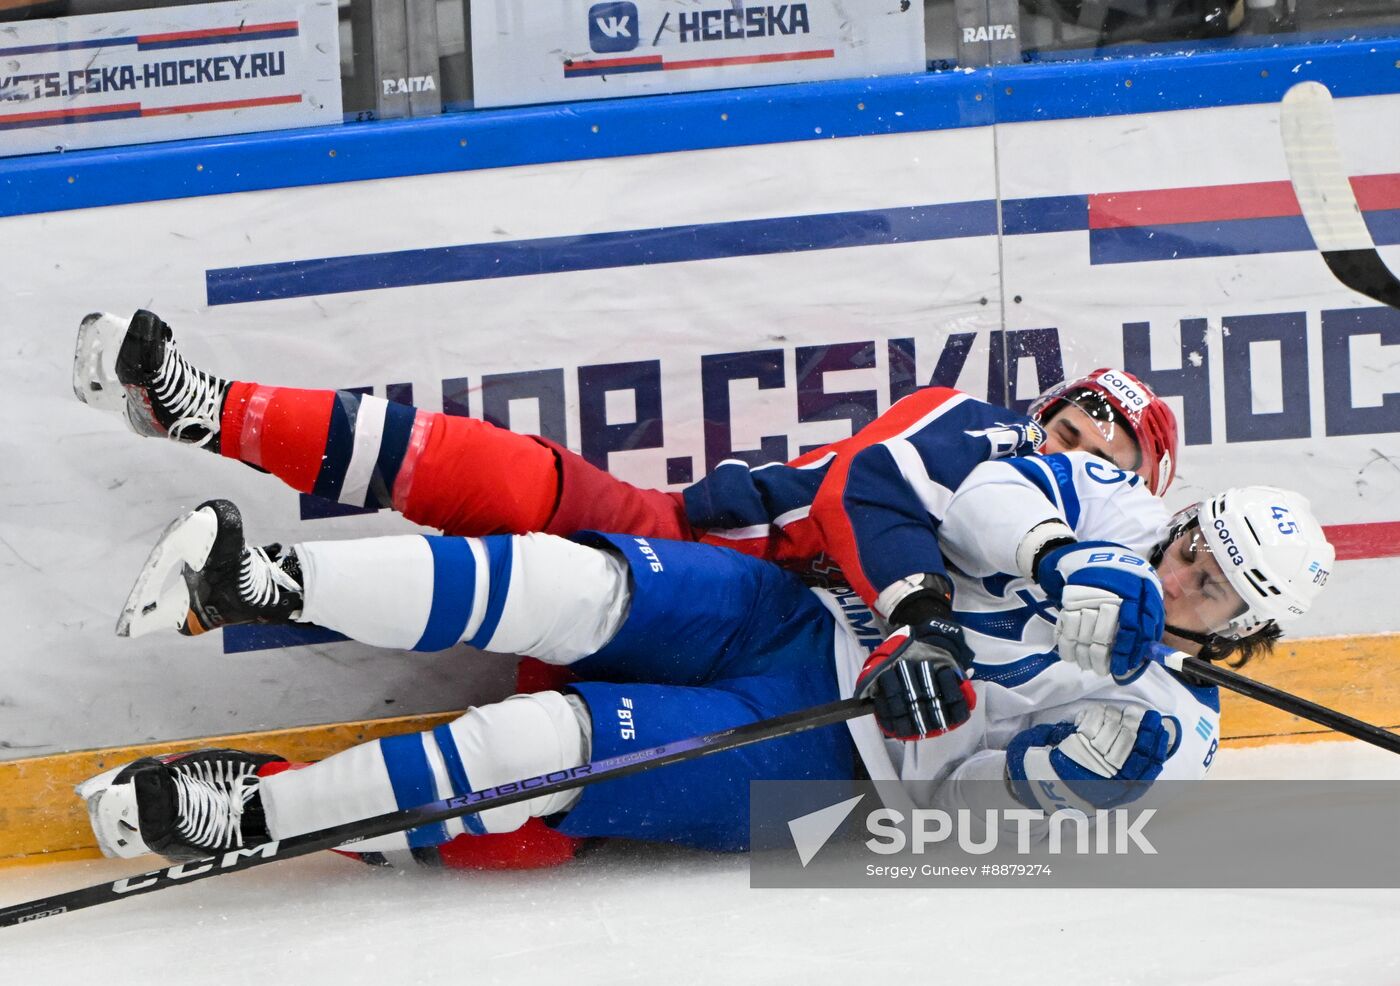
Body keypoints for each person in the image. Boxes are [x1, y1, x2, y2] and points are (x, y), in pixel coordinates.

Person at [75, 445, 1334, 867]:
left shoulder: (1182, 725)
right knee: (572, 579)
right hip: (803, 616)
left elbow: (981, 828)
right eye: (1188, 546)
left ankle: (253, 816)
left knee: (540, 748)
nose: (1180, 577)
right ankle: (254, 578)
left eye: (1212, 588)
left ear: (1245, 625)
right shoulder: (1115, 511)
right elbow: (983, 487)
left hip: (831, 765)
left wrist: (1077, 777)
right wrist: (1068, 558)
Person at [73, 310, 1180, 756]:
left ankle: (240, 800)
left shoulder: (1089, 601)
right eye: (1080, 405)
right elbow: (860, 492)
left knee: (546, 793)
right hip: (701, 562)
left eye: (1111, 439)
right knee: (510, 479)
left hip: (785, 671)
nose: (1082, 429)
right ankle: (207, 410)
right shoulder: (979, 430)